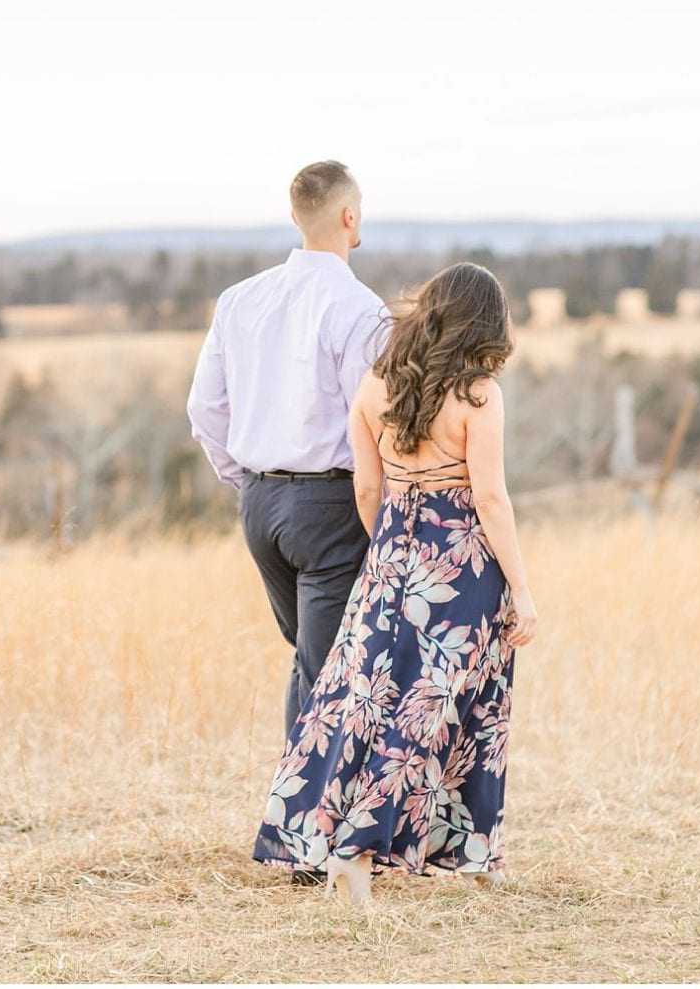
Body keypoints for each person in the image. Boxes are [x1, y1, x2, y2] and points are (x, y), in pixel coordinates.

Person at [248, 261, 540, 906]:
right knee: (465, 707)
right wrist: (521, 588)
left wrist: (390, 545)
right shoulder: (479, 395)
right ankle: (383, 850)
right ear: (485, 321)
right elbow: (490, 497)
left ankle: (455, 854)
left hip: (391, 554)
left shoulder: (375, 386)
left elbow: (367, 485)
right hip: (462, 562)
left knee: (368, 701)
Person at [185, 160, 390, 885]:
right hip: (331, 504)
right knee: (329, 672)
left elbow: (203, 411)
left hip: (260, 505)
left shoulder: (240, 300)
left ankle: (320, 831)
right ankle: (312, 846)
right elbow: (375, 428)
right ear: (349, 217)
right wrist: (387, 510)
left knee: (311, 663)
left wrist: (245, 482)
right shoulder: (360, 311)